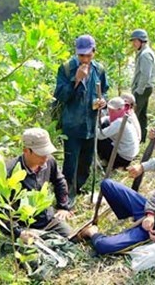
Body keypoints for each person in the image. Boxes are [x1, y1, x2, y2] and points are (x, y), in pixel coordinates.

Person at [54, 35, 109, 205]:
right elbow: (60, 95)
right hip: (72, 123)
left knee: (86, 161)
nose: (85, 59)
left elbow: (105, 90)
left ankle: (78, 187)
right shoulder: (66, 69)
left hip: (90, 124)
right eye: (81, 55)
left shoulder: (99, 70)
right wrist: (76, 80)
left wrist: (103, 101)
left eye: (88, 55)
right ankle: (66, 197)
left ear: (94, 52)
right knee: (71, 162)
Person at [0, 128, 73, 242]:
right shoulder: (10, 172)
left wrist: (63, 207)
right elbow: (0, 209)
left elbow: (59, 181)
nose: (45, 157)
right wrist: (18, 233)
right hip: (24, 225)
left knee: (71, 237)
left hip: (48, 220)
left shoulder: (49, 161)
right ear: (26, 151)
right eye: (41, 153)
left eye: (47, 152)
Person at [96, 97, 140, 169]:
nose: (110, 112)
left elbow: (100, 135)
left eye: (113, 110)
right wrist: (99, 120)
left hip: (123, 158)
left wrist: (91, 128)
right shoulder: (125, 116)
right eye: (109, 110)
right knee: (104, 125)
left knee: (98, 139)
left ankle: (107, 162)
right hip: (129, 155)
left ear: (120, 109)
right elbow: (107, 118)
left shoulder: (119, 122)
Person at [130, 29, 155, 143]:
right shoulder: (144, 53)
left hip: (143, 88)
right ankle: (141, 139)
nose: (133, 44)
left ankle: (133, 140)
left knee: (133, 114)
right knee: (141, 115)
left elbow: (145, 75)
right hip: (145, 88)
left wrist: (139, 90)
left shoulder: (145, 55)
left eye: (135, 41)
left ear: (142, 41)